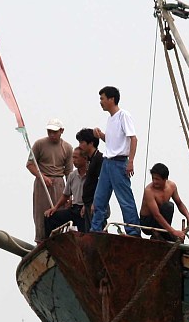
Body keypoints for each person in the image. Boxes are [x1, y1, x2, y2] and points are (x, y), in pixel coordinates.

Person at [90, 86, 139, 235]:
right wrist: (101, 135)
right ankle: (96, 229)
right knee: (100, 199)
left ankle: (133, 232)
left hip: (119, 163)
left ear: (111, 99)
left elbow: (133, 138)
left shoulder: (123, 115)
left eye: (102, 98)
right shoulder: (110, 119)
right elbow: (113, 143)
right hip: (108, 162)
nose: (101, 102)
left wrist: (131, 161)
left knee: (125, 199)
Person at [28, 118, 73, 241]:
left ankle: (58, 241)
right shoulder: (39, 144)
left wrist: (70, 195)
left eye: (55, 132)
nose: (52, 135)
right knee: (41, 214)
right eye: (49, 132)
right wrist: (42, 177)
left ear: (61, 131)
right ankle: (41, 240)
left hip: (59, 184)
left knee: (59, 213)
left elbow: (69, 173)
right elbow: (30, 164)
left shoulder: (67, 148)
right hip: (42, 184)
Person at [140, 163, 189, 241]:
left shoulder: (171, 186)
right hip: (148, 223)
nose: (154, 181)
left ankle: (165, 234)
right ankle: (161, 233)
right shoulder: (149, 191)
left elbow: (179, 203)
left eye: (157, 179)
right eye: (153, 178)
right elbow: (156, 215)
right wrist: (173, 231)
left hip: (161, 222)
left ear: (165, 179)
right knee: (168, 206)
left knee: (169, 206)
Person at [44, 147, 89, 233]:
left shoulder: (91, 175)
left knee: (83, 226)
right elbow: (66, 195)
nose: (73, 160)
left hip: (85, 209)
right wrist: (55, 208)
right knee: (50, 217)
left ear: (84, 158)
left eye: (76, 157)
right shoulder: (72, 175)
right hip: (75, 209)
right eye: (73, 157)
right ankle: (51, 243)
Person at [75, 128, 103, 227]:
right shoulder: (90, 160)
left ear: (91, 143)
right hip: (87, 203)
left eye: (82, 142)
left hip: (95, 204)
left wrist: (95, 202)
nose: (80, 146)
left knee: (97, 234)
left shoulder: (99, 159)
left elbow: (102, 183)